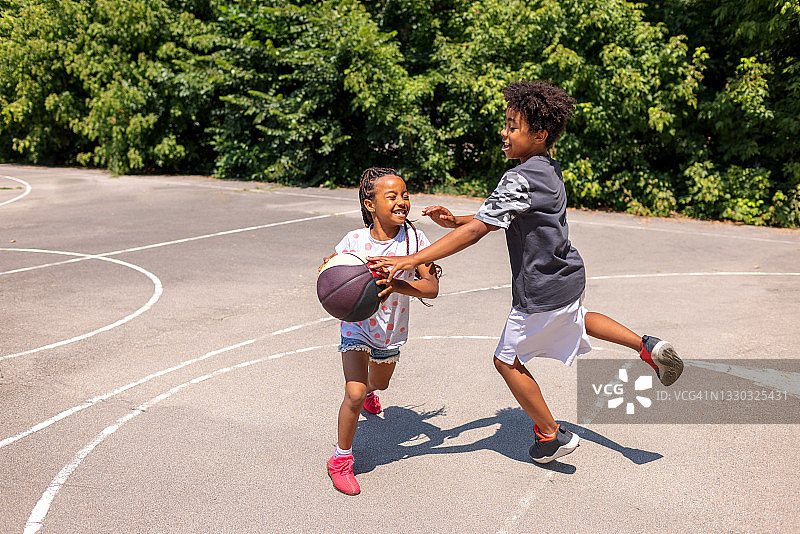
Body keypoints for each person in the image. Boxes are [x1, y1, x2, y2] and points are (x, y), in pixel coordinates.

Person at [368, 80, 683, 464]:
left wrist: (409, 260)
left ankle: (551, 434)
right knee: (578, 319)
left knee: (506, 361)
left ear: (539, 134)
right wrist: (456, 220)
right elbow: (495, 217)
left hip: (539, 288)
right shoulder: (546, 168)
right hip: (566, 275)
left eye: (512, 126)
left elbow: (478, 230)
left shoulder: (518, 177)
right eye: (505, 123)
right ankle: (646, 346)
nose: (504, 132)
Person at [322, 167, 441, 495]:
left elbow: (430, 288)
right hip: (356, 326)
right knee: (355, 393)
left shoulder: (416, 241)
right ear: (370, 204)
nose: (402, 201)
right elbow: (333, 274)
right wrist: (328, 272)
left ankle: (372, 391)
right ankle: (341, 460)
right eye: (392, 196)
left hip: (390, 331)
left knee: (378, 384)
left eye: (405, 195)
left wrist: (398, 285)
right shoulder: (354, 241)